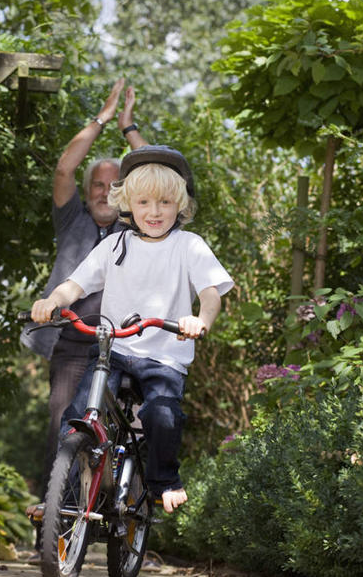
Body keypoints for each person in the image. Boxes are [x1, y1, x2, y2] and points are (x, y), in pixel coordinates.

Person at [30, 145, 234, 514]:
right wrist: (52, 301)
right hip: (114, 352)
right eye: (143, 202)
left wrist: (201, 320)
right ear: (127, 204)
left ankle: (164, 481)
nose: (154, 212)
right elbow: (74, 285)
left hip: (164, 358)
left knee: (161, 414)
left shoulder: (189, 246)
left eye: (165, 203)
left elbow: (210, 293)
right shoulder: (114, 245)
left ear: (180, 206)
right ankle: (64, 499)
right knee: (78, 415)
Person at [21, 78, 147, 502]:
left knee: (128, 430)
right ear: (88, 191)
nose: (104, 191)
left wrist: (128, 128)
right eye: (98, 184)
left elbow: (156, 177)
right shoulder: (72, 219)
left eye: (115, 185)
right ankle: (60, 514)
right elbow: (63, 169)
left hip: (129, 342)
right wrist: (103, 118)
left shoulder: (138, 226)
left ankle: (123, 506)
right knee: (64, 423)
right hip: (75, 342)